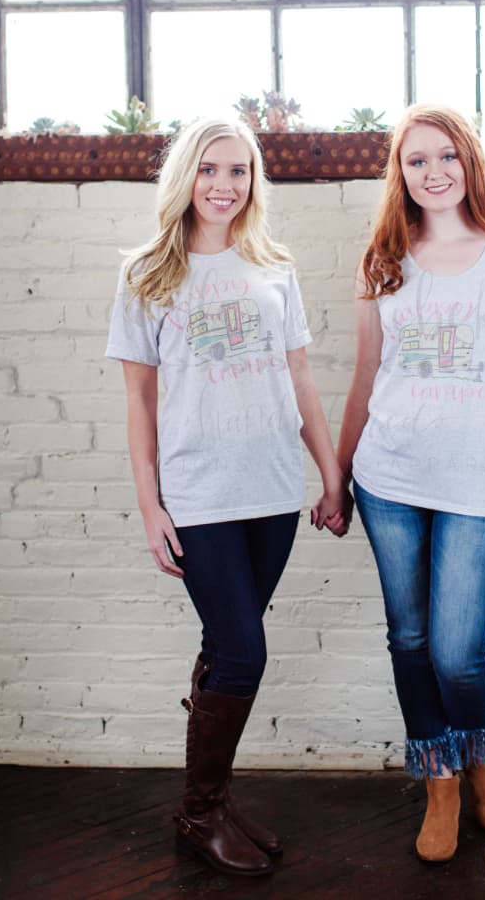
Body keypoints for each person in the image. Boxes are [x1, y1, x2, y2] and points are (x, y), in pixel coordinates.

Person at [106, 117, 349, 878]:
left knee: (225, 647)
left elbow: (299, 376)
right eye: (210, 169)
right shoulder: (147, 273)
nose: (224, 184)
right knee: (244, 652)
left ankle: (209, 806)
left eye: (239, 171)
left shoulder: (272, 266)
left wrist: (331, 474)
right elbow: (139, 401)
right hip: (200, 496)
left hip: (271, 489)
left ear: (254, 181)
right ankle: (201, 812)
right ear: (186, 175)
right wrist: (151, 507)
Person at [337, 103, 485, 863]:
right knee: (410, 637)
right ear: (400, 174)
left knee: (458, 652)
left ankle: (479, 754)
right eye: (416, 160)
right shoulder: (382, 261)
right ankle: (440, 780)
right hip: (389, 480)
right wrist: (336, 476)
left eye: (447, 156)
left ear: (470, 162)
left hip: (480, 483)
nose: (433, 172)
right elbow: (366, 375)